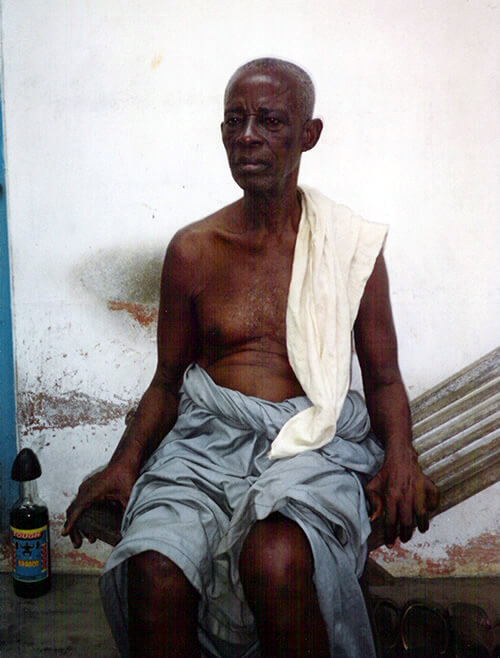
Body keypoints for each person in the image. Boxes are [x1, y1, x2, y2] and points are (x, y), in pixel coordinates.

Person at [63, 58, 439, 657]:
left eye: (270, 121)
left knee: (276, 556)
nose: (248, 137)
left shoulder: (348, 247)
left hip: (315, 443)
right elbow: (167, 381)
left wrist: (400, 455)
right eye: (235, 121)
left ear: (308, 135)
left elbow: (385, 377)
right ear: (221, 133)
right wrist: (123, 463)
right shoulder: (192, 250)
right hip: (207, 443)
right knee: (155, 568)